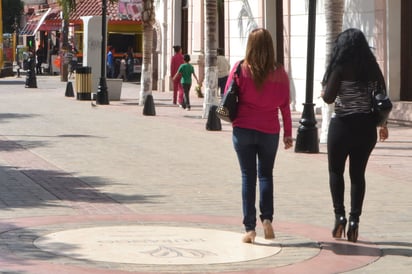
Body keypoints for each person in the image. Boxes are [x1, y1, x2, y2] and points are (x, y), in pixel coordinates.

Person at [321, 28, 389, 243]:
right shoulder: (372, 68)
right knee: (358, 175)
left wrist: (323, 91)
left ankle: (339, 215)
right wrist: (383, 124)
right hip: (366, 128)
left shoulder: (339, 67)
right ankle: (354, 221)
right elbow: (382, 99)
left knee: (335, 171)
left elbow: (329, 98)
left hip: (341, 127)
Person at [226, 28, 293, 244]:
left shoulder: (240, 68)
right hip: (270, 131)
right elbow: (285, 106)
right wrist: (288, 135)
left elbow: (227, 95)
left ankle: (249, 228)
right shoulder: (280, 73)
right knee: (266, 175)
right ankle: (267, 219)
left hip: (243, 129)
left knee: (248, 176)